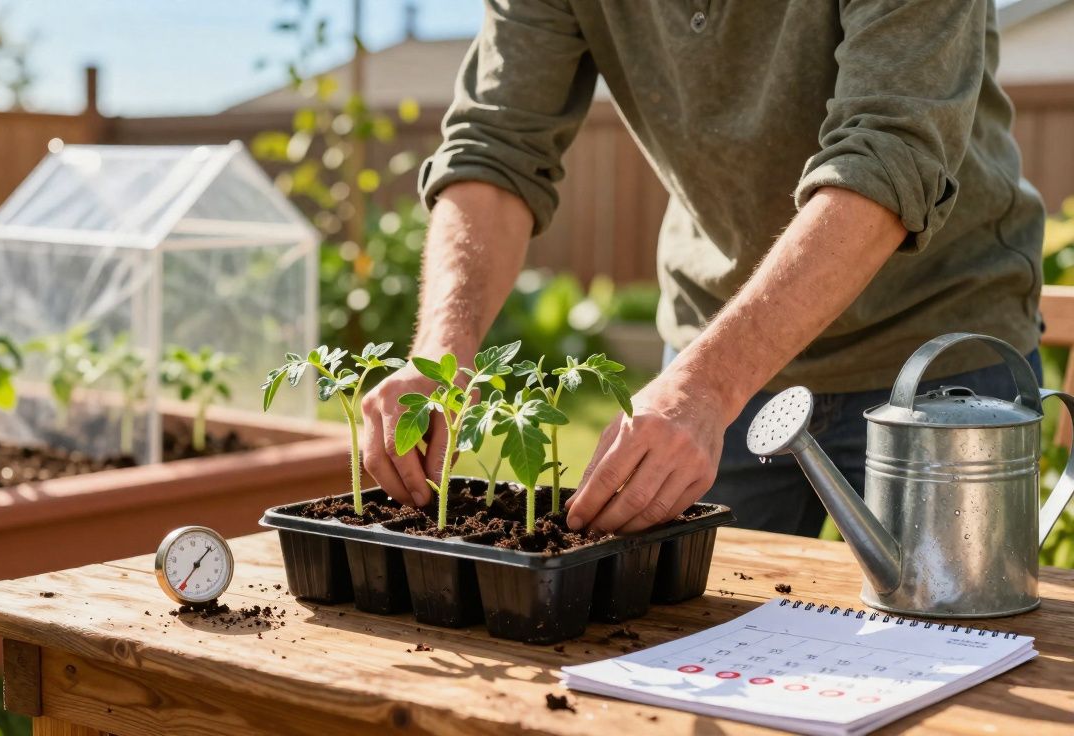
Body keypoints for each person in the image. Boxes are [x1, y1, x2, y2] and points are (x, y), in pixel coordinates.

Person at [360, 0, 1044, 537]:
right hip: (716, 350)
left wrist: (705, 389)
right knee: (680, 648)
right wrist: (438, 361)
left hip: (935, 361)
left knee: (951, 656)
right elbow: (495, 147)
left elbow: (890, 157)